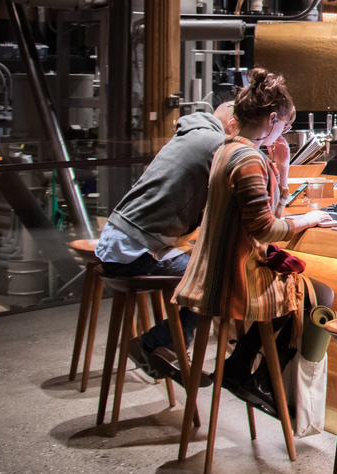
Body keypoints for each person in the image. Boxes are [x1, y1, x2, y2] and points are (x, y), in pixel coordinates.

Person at [172, 69, 335, 415]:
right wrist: (308, 219)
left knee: (302, 289)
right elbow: (265, 229)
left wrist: (283, 171)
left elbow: (267, 215)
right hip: (233, 277)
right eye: (286, 128)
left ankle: (241, 369)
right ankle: (253, 375)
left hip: (211, 270)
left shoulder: (228, 150)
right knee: (317, 297)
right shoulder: (248, 160)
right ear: (272, 119)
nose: (284, 135)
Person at [99, 101, 235, 382]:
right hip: (133, 250)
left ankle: (168, 348)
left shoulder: (188, 135)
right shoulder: (217, 144)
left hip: (116, 241)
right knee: (215, 279)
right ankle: (155, 344)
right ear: (234, 127)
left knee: (205, 269)